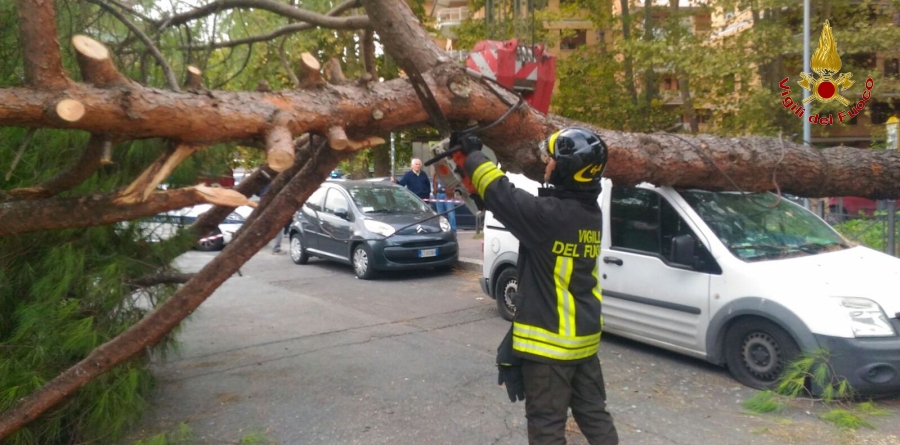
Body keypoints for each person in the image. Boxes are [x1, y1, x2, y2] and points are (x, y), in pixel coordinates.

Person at [455, 127, 618, 445]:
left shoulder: (551, 217)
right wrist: (482, 193)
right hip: (583, 341)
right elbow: (514, 207)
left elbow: (504, 194)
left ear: (567, 169)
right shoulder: (586, 214)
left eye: (552, 160)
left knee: (546, 427)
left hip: (550, 349)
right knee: (595, 415)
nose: (547, 164)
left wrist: (472, 154)